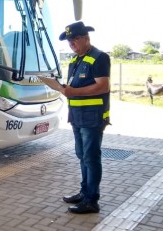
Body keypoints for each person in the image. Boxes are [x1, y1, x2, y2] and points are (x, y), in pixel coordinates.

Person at [55, 21, 110, 214]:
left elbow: (103, 86)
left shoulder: (99, 57)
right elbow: (74, 87)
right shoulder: (75, 60)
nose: (71, 43)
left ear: (86, 38)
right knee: (82, 156)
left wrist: (74, 92)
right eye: (69, 41)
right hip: (77, 116)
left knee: (91, 158)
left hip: (92, 117)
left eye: (75, 39)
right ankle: (84, 192)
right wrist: (65, 89)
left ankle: (91, 200)